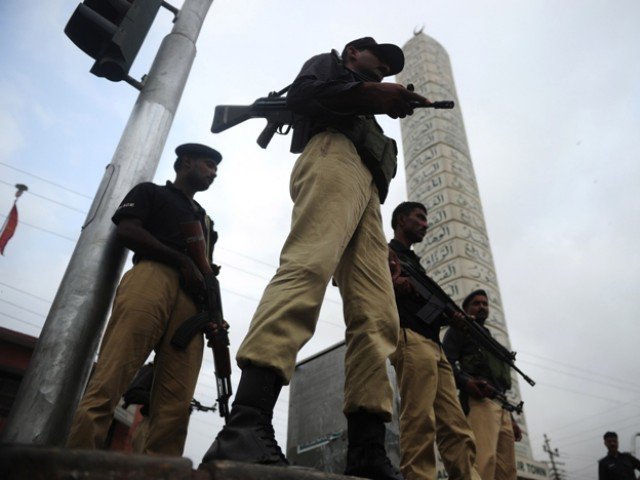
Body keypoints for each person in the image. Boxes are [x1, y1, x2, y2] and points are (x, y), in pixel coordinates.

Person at [203, 37, 428, 480]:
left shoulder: (364, 104)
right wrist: (372, 95)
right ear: (351, 54)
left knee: (379, 316)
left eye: (388, 66)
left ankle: (366, 450)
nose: (383, 67)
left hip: (367, 195)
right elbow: (306, 95)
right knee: (307, 269)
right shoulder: (328, 67)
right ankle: (246, 424)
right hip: (333, 158)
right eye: (376, 58)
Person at [67, 143, 222, 456]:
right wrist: (180, 260)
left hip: (192, 306)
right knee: (110, 380)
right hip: (152, 278)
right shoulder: (151, 193)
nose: (214, 172)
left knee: (175, 408)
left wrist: (214, 316)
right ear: (186, 162)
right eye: (208, 164)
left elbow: (206, 273)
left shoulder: (207, 223)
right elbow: (127, 232)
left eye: (216, 168)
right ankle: (77, 465)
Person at [388, 201, 482, 480]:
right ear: (401, 220)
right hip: (410, 338)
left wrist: (451, 317)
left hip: (434, 346)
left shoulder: (414, 263)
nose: (426, 224)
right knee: (419, 420)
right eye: (419, 218)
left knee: (456, 428)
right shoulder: (388, 253)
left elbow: (430, 305)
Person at [442, 289, 522, 480]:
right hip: (480, 402)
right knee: (482, 462)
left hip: (501, 406)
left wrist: (509, 417)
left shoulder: (489, 339)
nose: (482, 307)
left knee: (507, 471)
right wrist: (466, 382)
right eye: (476, 304)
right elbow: (445, 362)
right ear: (466, 308)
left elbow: (498, 380)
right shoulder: (460, 329)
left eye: (485, 304)